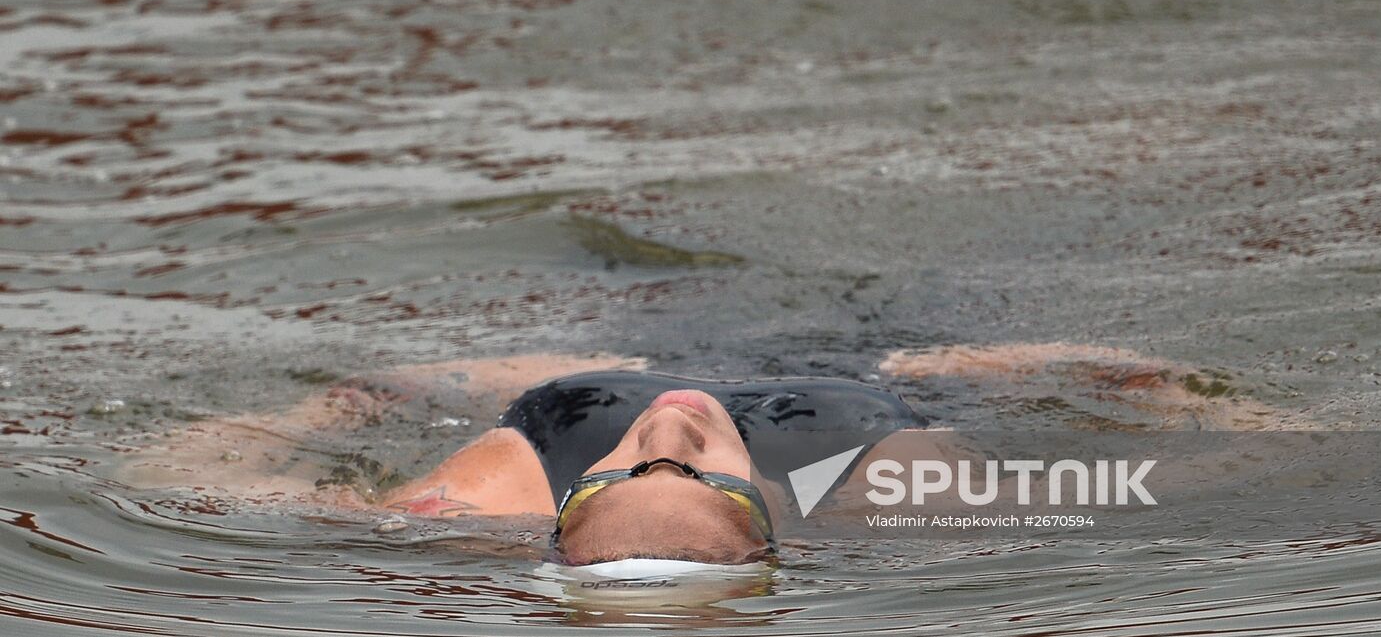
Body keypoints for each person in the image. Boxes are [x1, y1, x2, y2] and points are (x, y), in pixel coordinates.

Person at [121, 344, 1273, 567]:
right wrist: (1160, 386)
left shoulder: (477, 500)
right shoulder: (910, 495)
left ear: (568, 505)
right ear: (766, 516)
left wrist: (353, 396)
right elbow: (1234, 471)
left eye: (627, 470)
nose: (668, 428)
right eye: (697, 470)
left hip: (580, 348)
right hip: (866, 348)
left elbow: (172, 484)